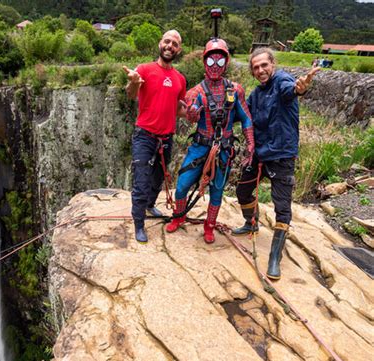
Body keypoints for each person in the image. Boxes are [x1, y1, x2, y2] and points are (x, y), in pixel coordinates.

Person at [233, 47, 319, 279]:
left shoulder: (282, 81)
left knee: (282, 208)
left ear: (273, 64)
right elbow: (241, 112)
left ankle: (274, 258)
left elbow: (291, 90)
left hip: (281, 156)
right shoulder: (257, 94)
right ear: (252, 72)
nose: (260, 70)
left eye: (264, 65)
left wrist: (299, 88)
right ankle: (251, 223)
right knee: (242, 191)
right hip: (260, 155)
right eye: (256, 67)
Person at [165, 38, 255, 244]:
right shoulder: (196, 92)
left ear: (226, 62)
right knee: (182, 185)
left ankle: (209, 226)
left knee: (217, 191)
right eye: (211, 62)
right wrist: (193, 114)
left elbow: (247, 118)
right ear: (205, 63)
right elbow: (190, 115)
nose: (215, 66)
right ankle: (179, 217)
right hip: (200, 146)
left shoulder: (235, 91)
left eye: (220, 62)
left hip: (224, 149)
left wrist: (251, 143)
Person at [123, 30, 187, 243]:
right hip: (145, 135)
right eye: (167, 41)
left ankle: (150, 205)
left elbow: (177, 106)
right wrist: (133, 82)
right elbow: (131, 95)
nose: (170, 46)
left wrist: (192, 113)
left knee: (158, 178)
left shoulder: (180, 79)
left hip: (166, 138)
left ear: (179, 50)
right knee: (141, 180)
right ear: (160, 44)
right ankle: (139, 223)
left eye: (175, 44)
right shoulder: (144, 70)